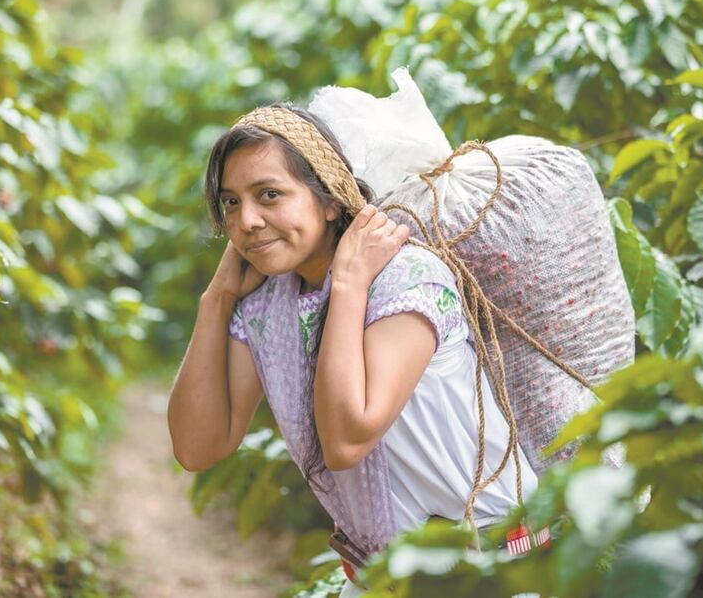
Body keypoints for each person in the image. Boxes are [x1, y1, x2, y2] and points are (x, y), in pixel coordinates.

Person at [167, 102, 540, 596]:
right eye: (231, 202)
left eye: (269, 195)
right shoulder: (269, 306)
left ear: (327, 198)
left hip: (496, 569)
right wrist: (215, 301)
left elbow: (345, 441)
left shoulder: (407, 278)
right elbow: (197, 447)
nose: (248, 221)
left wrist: (347, 285)